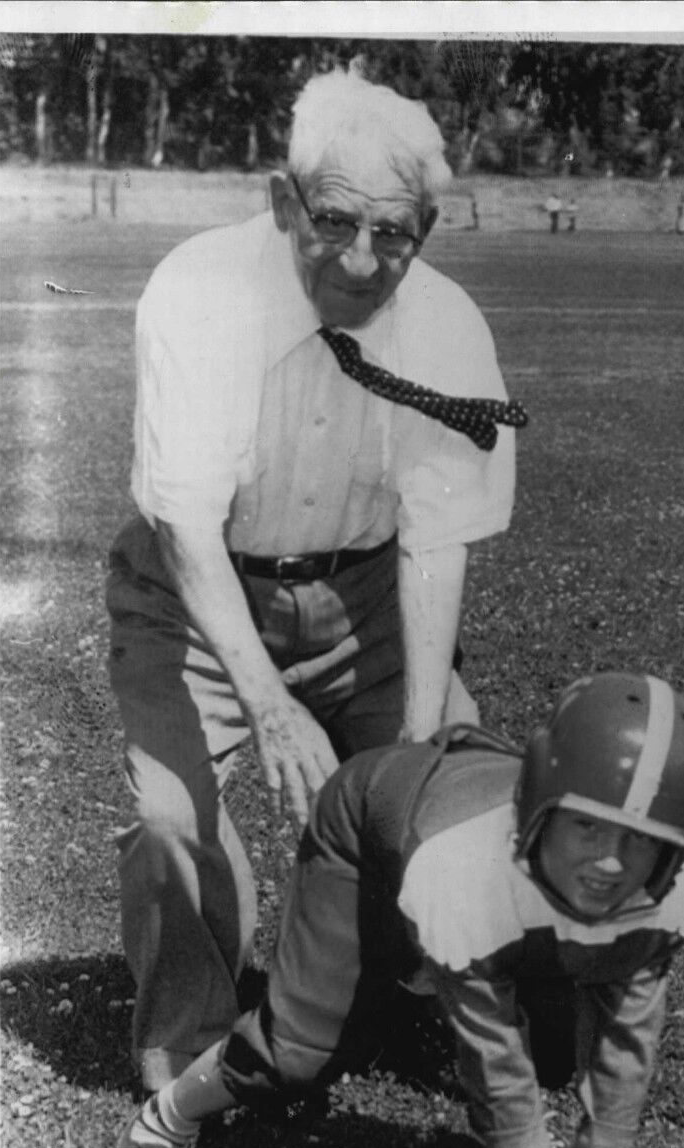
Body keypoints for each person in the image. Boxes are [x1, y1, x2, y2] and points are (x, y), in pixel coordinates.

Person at [106, 67, 526, 1094]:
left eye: (396, 234)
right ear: (282, 201)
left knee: (453, 798)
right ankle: (190, 1071)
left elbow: (435, 538)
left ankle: (391, 990)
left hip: (367, 594)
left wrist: (417, 746)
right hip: (195, 593)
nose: (361, 259)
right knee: (171, 827)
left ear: (427, 227)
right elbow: (189, 528)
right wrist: (271, 705)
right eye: (332, 221)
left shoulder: (447, 327)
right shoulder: (199, 292)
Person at [104, 672, 684, 1148]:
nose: (612, 864)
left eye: (642, 842)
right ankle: (163, 1121)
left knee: (560, 1051)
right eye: (589, 829)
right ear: (542, 804)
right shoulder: (462, 865)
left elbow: (625, 1040)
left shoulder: (669, 890)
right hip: (369, 827)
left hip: (481, 845)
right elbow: (494, 1054)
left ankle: (407, 985)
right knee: (296, 1053)